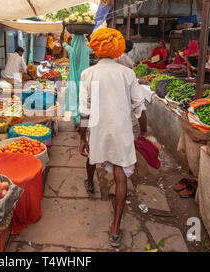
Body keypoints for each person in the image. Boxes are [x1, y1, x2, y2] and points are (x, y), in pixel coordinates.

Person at [79, 27, 147, 247]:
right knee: (120, 175)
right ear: (118, 49)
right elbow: (139, 106)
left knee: (92, 155)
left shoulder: (88, 74)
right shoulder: (127, 73)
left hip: (97, 127)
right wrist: (143, 131)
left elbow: (84, 110)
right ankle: (116, 228)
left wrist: (83, 137)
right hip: (121, 129)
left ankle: (90, 183)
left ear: (96, 49)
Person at [60, 23, 92, 126]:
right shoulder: (87, 49)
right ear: (83, 42)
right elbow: (93, 44)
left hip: (74, 78)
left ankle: (77, 121)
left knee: (75, 98)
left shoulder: (71, 50)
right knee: (83, 99)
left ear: (73, 41)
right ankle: (82, 121)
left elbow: (62, 41)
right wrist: (88, 36)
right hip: (85, 79)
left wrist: (63, 28)